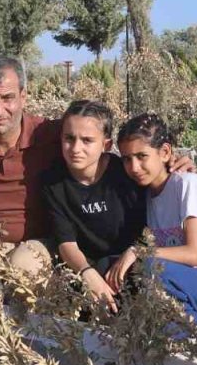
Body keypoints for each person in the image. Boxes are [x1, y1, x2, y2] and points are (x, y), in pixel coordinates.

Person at [0, 55, 196, 278]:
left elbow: (98, 142)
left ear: (23, 96)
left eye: (7, 97)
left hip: (42, 243)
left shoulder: (52, 135)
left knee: (23, 268)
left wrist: (170, 164)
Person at [109, 113, 197, 325]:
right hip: (186, 279)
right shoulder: (145, 195)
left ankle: (195, 334)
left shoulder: (187, 185)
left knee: (149, 266)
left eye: (142, 156)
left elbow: (193, 254)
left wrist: (137, 251)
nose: (134, 167)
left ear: (165, 152)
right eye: (127, 159)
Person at [41, 100, 145, 312]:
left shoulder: (125, 173)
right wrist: (87, 273)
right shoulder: (53, 182)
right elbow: (66, 243)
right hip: (86, 266)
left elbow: (153, 224)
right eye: (69, 138)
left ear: (105, 145)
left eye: (87, 140)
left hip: (129, 262)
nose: (75, 148)